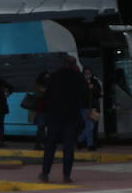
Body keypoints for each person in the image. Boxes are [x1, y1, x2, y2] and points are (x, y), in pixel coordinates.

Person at [40, 55, 87, 184]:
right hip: (72, 117)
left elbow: (47, 95)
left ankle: (45, 174)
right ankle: (66, 175)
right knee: (68, 147)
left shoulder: (54, 76)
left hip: (55, 116)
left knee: (50, 146)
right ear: (74, 64)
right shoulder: (78, 77)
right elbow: (84, 95)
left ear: (63, 63)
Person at [78, 65, 103, 150]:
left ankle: (80, 140)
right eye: (86, 73)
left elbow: (99, 92)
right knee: (89, 125)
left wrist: (93, 88)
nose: (88, 74)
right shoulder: (80, 81)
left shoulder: (94, 81)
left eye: (89, 73)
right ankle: (90, 144)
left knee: (90, 126)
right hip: (84, 107)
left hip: (93, 107)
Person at [29, 71, 50, 145]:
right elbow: (37, 96)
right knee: (41, 127)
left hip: (45, 109)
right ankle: (40, 143)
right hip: (41, 109)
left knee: (42, 127)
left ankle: (40, 143)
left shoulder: (47, 86)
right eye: (46, 77)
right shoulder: (38, 86)